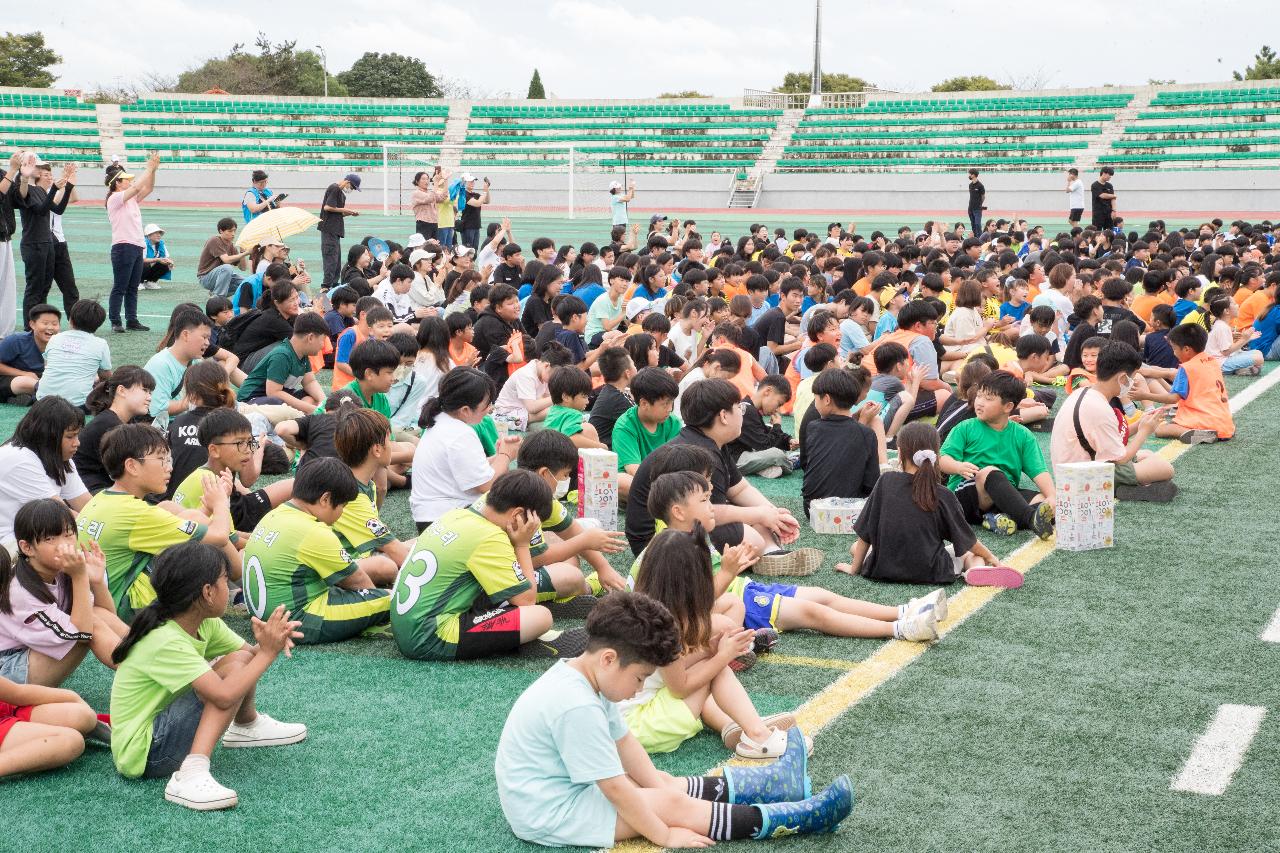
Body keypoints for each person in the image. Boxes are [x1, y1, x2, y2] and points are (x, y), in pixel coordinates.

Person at [495, 592, 852, 848]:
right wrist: (664, 835)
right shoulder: (576, 705)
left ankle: (775, 785)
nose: (638, 690)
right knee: (668, 804)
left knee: (662, 783)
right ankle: (795, 819)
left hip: (561, 794)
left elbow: (624, 743)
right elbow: (616, 788)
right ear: (608, 659)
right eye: (639, 678)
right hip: (551, 813)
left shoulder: (585, 677)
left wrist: (656, 784)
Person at [108, 542, 307, 810]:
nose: (229, 585)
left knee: (240, 660)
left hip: (161, 730)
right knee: (231, 674)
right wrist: (267, 653)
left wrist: (270, 641)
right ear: (208, 592)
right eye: (226, 580)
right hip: (144, 753)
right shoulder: (165, 640)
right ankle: (190, 773)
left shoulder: (201, 621)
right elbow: (223, 695)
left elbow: (249, 655)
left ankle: (246, 725)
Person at [392, 469, 568, 662]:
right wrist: (522, 544)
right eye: (532, 524)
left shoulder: (458, 515)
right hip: (429, 637)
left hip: (407, 625)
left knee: (502, 590)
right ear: (517, 515)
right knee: (541, 616)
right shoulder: (491, 536)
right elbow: (527, 600)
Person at [76, 423, 239, 622]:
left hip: (95, 603)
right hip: (122, 609)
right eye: (162, 459)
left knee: (169, 508)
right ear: (132, 466)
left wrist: (206, 508)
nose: (169, 467)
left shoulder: (103, 498)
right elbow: (219, 537)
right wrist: (222, 501)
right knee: (197, 555)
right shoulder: (135, 514)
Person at [842, 422, 1015, 587]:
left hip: (882, 568)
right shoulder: (943, 494)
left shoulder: (885, 481)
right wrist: (990, 557)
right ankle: (978, 569)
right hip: (932, 570)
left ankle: (978, 568)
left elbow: (865, 534)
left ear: (900, 453)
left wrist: (854, 569)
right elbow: (968, 541)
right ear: (936, 456)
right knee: (971, 554)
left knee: (855, 547)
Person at [242, 457, 393, 645]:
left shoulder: (275, 515)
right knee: (392, 598)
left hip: (267, 616)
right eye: (342, 506)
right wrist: (375, 601)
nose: (341, 513)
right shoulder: (314, 531)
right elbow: (359, 582)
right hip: (299, 620)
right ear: (326, 499)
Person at [0, 499, 126, 686]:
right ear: (27, 547)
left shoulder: (62, 570)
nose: (64, 545)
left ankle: (148, 655)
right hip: (8, 668)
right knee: (90, 623)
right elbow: (82, 633)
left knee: (95, 616)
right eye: (50, 539)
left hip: (32, 652)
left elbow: (106, 615)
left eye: (68, 534)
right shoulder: (20, 591)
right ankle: (139, 673)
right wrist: (80, 576)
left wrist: (97, 581)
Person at [1051, 341, 1177, 502]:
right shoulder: (1100, 408)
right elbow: (1120, 458)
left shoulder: (1085, 392)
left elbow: (1113, 439)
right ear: (1123, 378)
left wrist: (1140, 424)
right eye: (1132, 379)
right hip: (1084, 477)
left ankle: (1127, 487)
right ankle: (1119, 488)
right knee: (1165, 468)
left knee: (1148, 455)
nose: (1132, 383)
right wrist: (1145, 431)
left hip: (1071, 470)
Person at [939, 371, 1056, 539]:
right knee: (989, 472)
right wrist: (957, 467)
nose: (979, 403)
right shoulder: (965, 427)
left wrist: (1052, 497)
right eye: (979, 396)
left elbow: (1039, 471)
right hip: (965, 496)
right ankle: (1029, 519)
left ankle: (998, 518)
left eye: (988, 399)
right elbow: (942, 460)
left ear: (1008, 406)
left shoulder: (1022, 435)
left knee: (1048, 504)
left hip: (1003, 496)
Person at [410, 367, 522, 530]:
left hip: (432, 518)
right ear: (465, 410)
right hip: (447, 522)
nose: (490, 408)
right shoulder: (460, 434)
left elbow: (466, 468)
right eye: (486, 404)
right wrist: (505, 455)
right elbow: (486, 486)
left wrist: (498, 456)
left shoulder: (441, 420)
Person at [170, 408, 292, 533]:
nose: (248, 450)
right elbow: (226, 538)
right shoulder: (211, 483)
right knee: (293, 485)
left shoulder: (210, 472)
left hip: (232, 512)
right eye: (240, 443)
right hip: (232, 518)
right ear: (214, 450)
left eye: (250, 442)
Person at [0, 397, 90, 547]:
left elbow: (87, 505)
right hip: (9, 543)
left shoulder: (58, 457)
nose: (77, 442)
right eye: (70, 436)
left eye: (77, 435)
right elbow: (63, 517)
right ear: (48, 435)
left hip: (37, 537)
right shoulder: (18, 459)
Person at [332, 408, 411, 566]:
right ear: (377, 450)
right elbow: (397, 553)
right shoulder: (352, 495)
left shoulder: (366, 484)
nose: (392, 446)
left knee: (425, 541)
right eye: (389, 441)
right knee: (386, 567)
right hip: (340, 566)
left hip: (356, 555)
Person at [800, 368, 882, 519]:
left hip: (812, 508)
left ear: (826, 399)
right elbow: (871, 482)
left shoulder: (814, 427)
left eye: (816, 398)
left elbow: (806, 464)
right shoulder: (867, 434)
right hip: (851, 510)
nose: (815, 403)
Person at [0, 667, 101, 779]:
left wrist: (72, 696)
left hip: (7, 708)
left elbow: (18, 693)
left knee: (84, 716)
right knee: (71, 741)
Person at [1145, 323, 1235, 444]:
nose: (1173, 353)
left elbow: (1173, 398)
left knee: (1160, 429)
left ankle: (1197, 434)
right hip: (1225, 425)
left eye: (1174, 349)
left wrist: (1144, 395)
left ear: (1187, 349)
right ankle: (1207, 433)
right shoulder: (1212, 361)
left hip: (1205, 421)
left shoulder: (1187, 368)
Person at [75, 366, 155, 494]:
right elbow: (128, 474)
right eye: (145, 390)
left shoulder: (123, 421)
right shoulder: (109, 424)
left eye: (150, 392)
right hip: (89, 491)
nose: (149, 397)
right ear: (122, 390)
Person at [104, 153, 160, 334]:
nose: (128, 181)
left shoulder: (130, 199)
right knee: (120, 286)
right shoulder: (114, 198)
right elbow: (137, 188)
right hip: (123, 247)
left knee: (132, 287)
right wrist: (149, 168)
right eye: (124, 179)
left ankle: (132, 320)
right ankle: (115, 321)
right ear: (117, 183)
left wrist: (153, 171)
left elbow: (148, 187)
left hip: (136, 246)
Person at [15, 159, 75, 324]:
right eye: (46, 174)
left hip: (46, 244)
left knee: (44, 288)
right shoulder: (31, 190)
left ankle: (39, 324)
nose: (49, 177)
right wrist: (55, 188)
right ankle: (30, 327)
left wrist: (68, 187)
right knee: (34, 289)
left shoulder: (42, 192)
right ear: (37, 174)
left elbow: (58, 209)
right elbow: (41, 211)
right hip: (33, 244)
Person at [612, 367, 681, 497]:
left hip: (666, 481)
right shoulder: (625, 426)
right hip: (639, 480)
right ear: (644, 403)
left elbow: (677, 463)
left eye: (672, 403)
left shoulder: (673, 423)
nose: (670, 409)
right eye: (665, 404)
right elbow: (633, 469)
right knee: (620, 482)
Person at [143, 308, 212, 430]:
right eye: (204, 337)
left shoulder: (196, 361)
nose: (207, 343)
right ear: (186, 334)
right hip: (165, 427)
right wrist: (194, 401)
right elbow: (157, 409)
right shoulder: (161, 364)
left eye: (208, 338)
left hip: (188, 421)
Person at [35, 300, 111, 408]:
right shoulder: (100, 344)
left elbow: (47, 366)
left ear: (70, 319)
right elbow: (106, 377)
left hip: (42, 399)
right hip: (79, 404)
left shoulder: (54, 338)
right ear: (98, 325)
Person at [727, 375, 794, 478]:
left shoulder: (751, 409)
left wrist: (788, 441)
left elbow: (764, 432)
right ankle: (791, 463)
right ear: (768, 391)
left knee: (776, 460)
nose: (778, 410)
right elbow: (765, 446)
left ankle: (763, 467)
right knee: (777, 454)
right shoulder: (746, 411)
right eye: (779, 403)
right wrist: (776, 426)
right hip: (733, 460)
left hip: (745, 455)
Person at [0, 302, 60, 405]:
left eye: (55, 324)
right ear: (32, 324)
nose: (50, 327)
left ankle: (30, 397)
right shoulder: (16, 341)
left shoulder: (62, 343)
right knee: (25, 382)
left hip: (43, 381)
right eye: (45, 323)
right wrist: (23, 373)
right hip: (13, 380)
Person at [542, 366, 605, 449]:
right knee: (588, 428)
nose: (587, 401)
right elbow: (572, 439)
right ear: (566, 397)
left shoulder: (553, 410)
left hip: (546, 452)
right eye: (584, 396)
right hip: (560, 455)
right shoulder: (573, 413)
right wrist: (601, 447)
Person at [587, 347, 636, 449]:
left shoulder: (612, 391)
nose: (636, 368)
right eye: (633, 365)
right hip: (607, 454)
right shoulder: (617, 399)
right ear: (627, 373)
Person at [318, 173, 360, 289]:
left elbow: (337, 213)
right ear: (347, 182)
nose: (351, 190)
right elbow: (327, 207)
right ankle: (326, 287)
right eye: (352, 187)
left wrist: (349, 213)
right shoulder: (335, 188)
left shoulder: (341, 194)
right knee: (331, 261)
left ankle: (334, 287)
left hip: (335, 231)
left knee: (336, 262)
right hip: (329, 229)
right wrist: (346, 209)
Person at [0, 154, 26, 338]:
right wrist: (12, 170)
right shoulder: (6, 174)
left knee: (7, 287)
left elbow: (19, 198)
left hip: (5, 237)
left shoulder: (3, 174)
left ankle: (4, 331)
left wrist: (24, 176)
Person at [196, 218, 249, 299]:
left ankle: (215, 293)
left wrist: (242, 253)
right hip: (205, 277)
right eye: (230, 231)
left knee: (247, 283)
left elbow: (243, 268)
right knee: (227, 268)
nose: (233, 234)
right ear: (221, 231)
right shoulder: (214, 240)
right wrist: (247, 253)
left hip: (221, 276)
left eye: (234, 231)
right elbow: (226, 260)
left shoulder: (231, 246)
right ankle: (218, 298)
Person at [457, 174, 490, 250]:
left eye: (473, 181)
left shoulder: (475, 194)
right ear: (464, 182)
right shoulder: (463, 194)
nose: (473, 183)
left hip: (476, 226)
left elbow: (487, 201)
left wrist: (487, 189)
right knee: (467, 250)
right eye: (470, 181)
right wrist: (484, 192)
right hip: (467, 226)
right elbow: (477, 204)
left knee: (474, 250)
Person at [411, 168, 444, 239]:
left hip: (434, 223)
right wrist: (436, 183)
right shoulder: (416, 193)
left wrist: (446, 180)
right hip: (424, 223)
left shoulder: (430, 192)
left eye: (427, 179)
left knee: (435, 247)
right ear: (417, 181)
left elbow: (442, 198)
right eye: (423, 179)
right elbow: (430, 198)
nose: (426, 181)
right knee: (425, 247)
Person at [140, 224, 173, 290]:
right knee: (145, 264)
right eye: (156, 233)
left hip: (149, 267)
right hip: (138, 268)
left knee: (165, 265)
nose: (159, 235)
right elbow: (141, 260)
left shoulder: (161, 243)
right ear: (148, 235)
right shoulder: (143, 243)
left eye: (160, 233)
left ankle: (150, 282)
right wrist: (157, 260)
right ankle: (138, 282)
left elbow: (165, 258)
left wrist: (170, 262)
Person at [1090, 166, 1117, 230]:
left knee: (1109, 233)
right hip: (1098, 214)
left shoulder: (1109, 185)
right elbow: (1102, 195)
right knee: (1097, 232)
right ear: (1104, 173)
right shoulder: (1095, 185)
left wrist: (1114, 210)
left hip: (1109, 213)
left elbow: (1113, 199)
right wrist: (1113, 195)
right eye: (1109, 174)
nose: (1110, 176)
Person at [966, 169, 985, 236]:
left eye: (970, 174)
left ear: (973, 175)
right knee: (973, 224)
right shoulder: (970, 185)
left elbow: (983, 197)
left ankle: (980, 238)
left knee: (977, 224)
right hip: (970, 208)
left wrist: (979, 204)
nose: (969, 175)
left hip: (977, 209)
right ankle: (975, 237)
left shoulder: (980, 185)